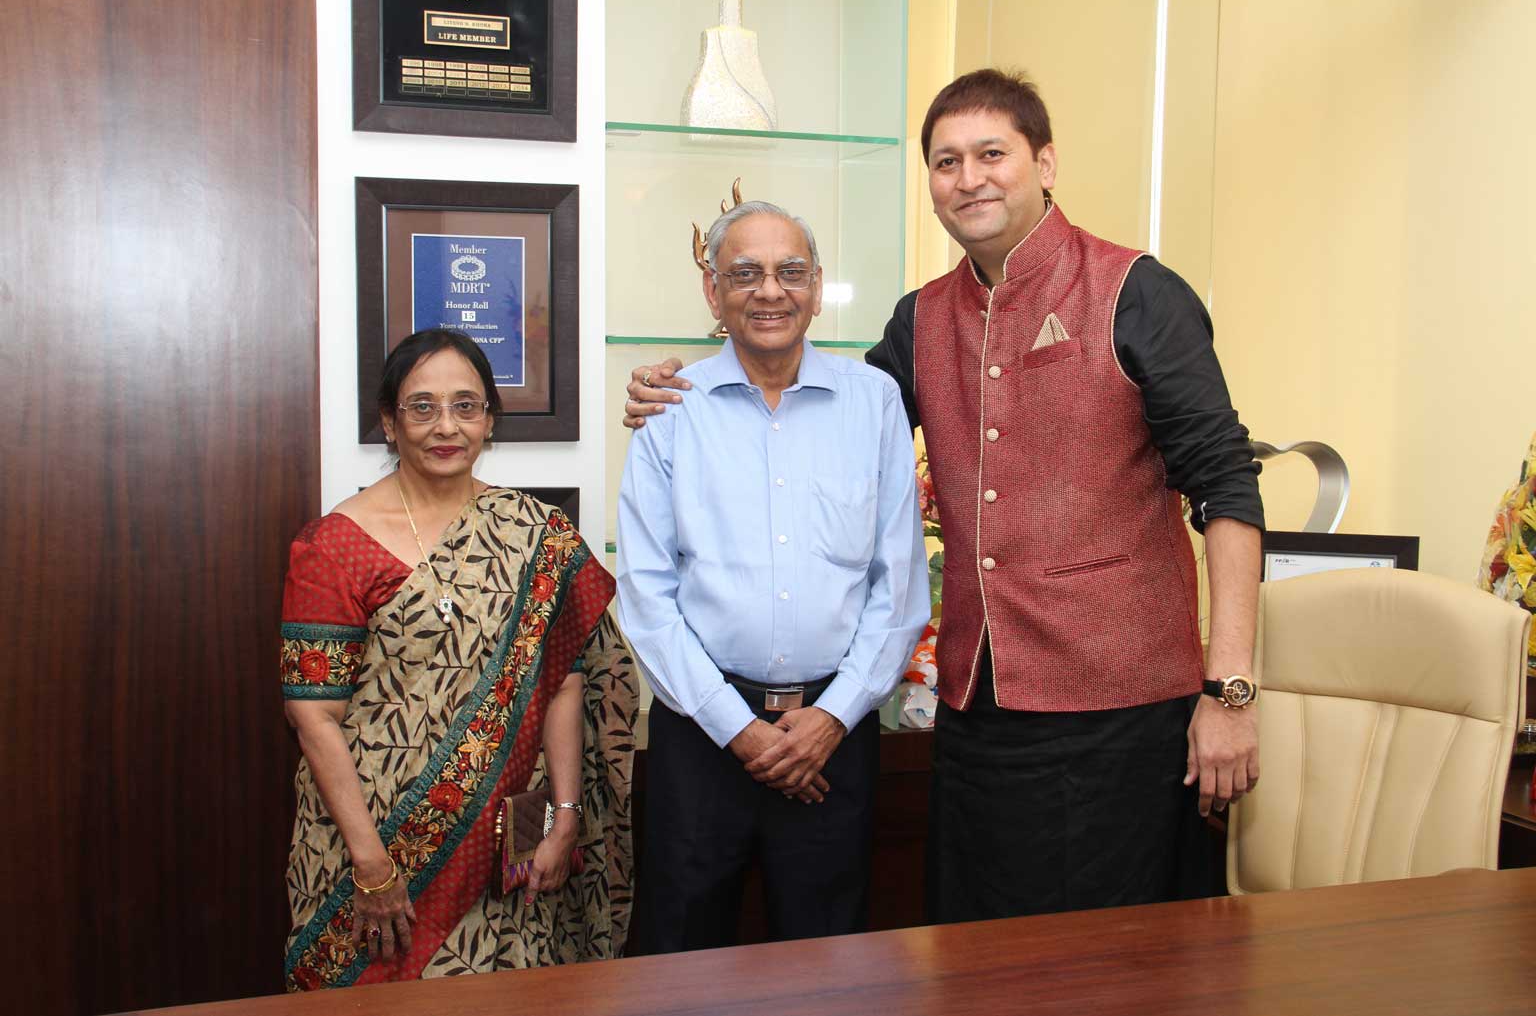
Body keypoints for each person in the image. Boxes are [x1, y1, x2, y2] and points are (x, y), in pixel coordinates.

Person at [621, 70, 1264, 923]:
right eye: (946, 161)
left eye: (992, 154)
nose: (969, 178)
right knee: (974, 949)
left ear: (1045, 163)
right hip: (975, 710)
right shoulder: (921, 319)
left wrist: (1230, 690)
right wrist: (680, 388)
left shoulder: (1136, 292)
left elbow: (1227, 485)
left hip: (1120, 709)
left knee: (1112, 957)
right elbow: (821, 413)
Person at [280, 329, 638, 990]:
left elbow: (563, 683)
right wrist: (372, 863)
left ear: (490, 419)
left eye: (465, 406)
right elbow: (314, 718)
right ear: (390, 423)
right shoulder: (336, 546)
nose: (446, 426)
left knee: (513, 992)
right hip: (377, 839)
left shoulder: (536, 534)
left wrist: (564, 816)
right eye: (422, 407)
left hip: (512, 829)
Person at [616, 201, 929, 951]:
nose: (770, 291)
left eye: (790, 272)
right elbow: (648, 596)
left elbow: (898, 586)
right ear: (712, 291)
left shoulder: (874, 402)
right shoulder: (670, 408)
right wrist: (740, 731)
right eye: (744, 273)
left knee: (830, 961)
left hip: (834, 734)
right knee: (682, 960)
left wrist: (832, 717)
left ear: (817, 287)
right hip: (702, 734)